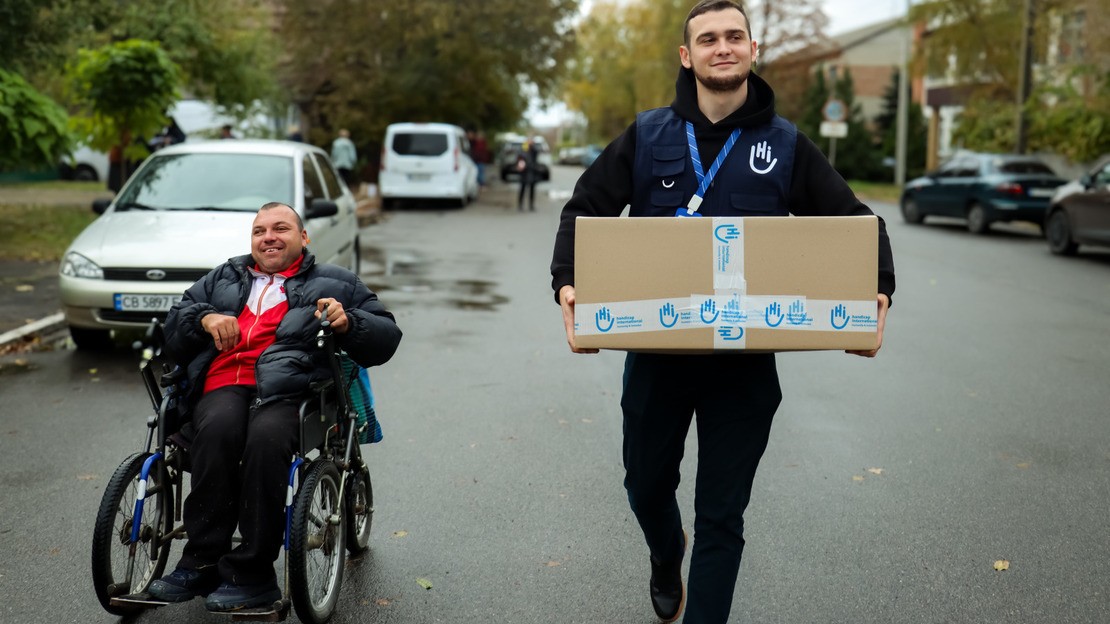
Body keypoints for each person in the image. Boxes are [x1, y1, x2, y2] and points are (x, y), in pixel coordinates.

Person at [549, 2, 895, 622]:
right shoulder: (649, 133)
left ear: (752, 50)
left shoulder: (785, 145)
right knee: (645, 485)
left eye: (735, 36)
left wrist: (878, 291)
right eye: (708, 39)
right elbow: (583, 210)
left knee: (722, 514)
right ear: (688, 56)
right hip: (658, 358)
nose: (723, 47)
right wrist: (568, 283)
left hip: (744, 366)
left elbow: (857, 225)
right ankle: (664, 551)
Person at [148, 201, 402, 612]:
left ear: (303, 237)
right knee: (215, 432)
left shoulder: (335, 281)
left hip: (290, 391)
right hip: (225, 384)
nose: (269, 237)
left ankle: (252, 575)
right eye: (259, 230)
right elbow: (174, 326)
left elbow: (387, 336)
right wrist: (204, 320)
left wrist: (349, 322)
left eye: (280, 228)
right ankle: (202, 561)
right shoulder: (223, 277)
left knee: (266, 441)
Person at [516, 138, 540, 212]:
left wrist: (532, 146)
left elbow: (536, 153)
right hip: (524, 172)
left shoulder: (534, 149)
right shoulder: (523, 148)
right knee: (522, 188)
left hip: (532, 171)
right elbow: (519, 156)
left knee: (532, 189)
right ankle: (520, 204)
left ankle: (531, 204)